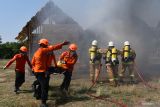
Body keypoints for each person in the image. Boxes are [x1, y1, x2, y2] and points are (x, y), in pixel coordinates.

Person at [32, 38, 69, 107]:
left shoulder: (37, 52)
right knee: (45, 86)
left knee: (41, 84)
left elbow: (33, 62)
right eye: (46, 45)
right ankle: (43, 103)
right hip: (41, 72)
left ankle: (37, 95)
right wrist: (62, 44)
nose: (47, 46)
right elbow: (53, 47)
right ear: (43, 45)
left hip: (39, 71)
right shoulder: (43, 50)